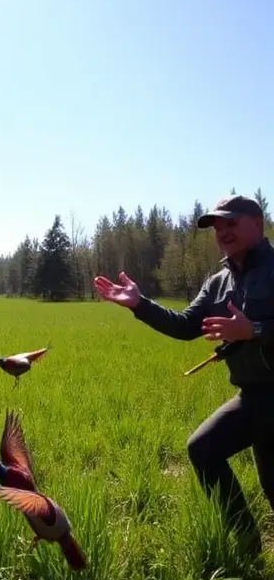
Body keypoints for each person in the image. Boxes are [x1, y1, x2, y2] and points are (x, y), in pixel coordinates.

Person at [94, 194, 274, 549]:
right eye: (217, 226)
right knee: (204, 448)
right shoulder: (218, 282)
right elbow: (185, 325)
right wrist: (139, 304)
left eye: (231, 222)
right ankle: (248, 544)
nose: (223, 231)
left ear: (257, 223)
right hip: (252, 398)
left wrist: (253, 330)